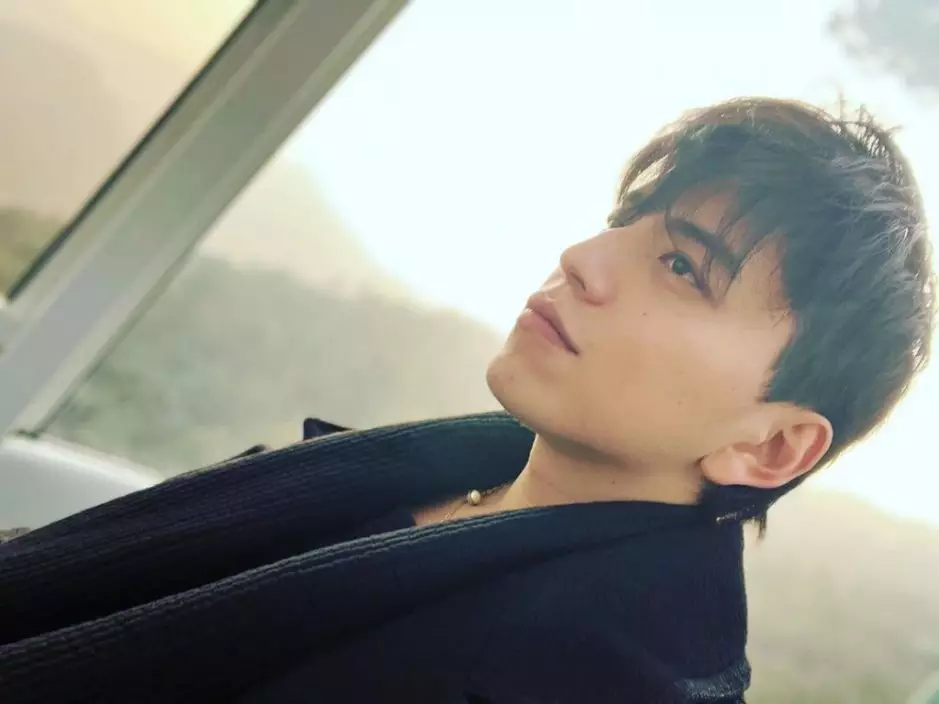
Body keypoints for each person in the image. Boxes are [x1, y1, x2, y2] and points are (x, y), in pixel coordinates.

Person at [0, 97, 933, 704]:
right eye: (623, 224)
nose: (583, 259)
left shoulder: (598, 680)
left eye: (684, 266)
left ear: (768, 450)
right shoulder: (405, 476)